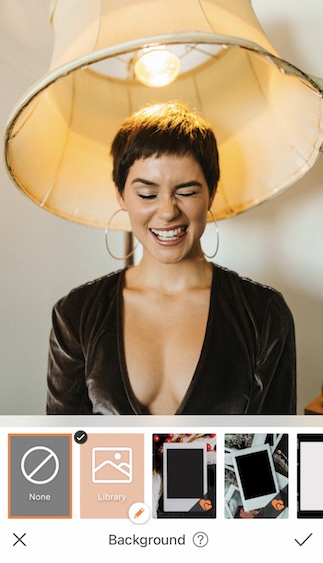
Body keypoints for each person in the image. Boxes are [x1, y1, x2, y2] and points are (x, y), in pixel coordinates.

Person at [46, 101, 296, 415]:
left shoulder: (264, 314)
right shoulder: (75, 315)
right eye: (147, 194)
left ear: (212, 193)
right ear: (121, 195)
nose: (167, 211)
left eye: (187, 191)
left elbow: (273, 457)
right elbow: (62, 453)